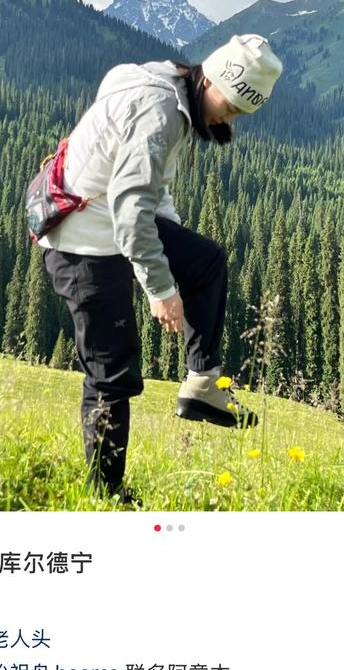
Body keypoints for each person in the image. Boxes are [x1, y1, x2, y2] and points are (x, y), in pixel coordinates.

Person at [40, 33, 282, 500]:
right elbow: (131, 208)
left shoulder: (171, 87)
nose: (227, 117)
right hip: (83, 241)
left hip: (113, 219)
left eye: (239, 113)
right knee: (113, 373)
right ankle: (105, 495)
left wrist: (176, 249)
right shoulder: (161, 113)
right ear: (209, 76)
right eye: (229, 104)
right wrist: (160, 289)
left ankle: (201, 384)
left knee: (206, 262)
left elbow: (149, 186)